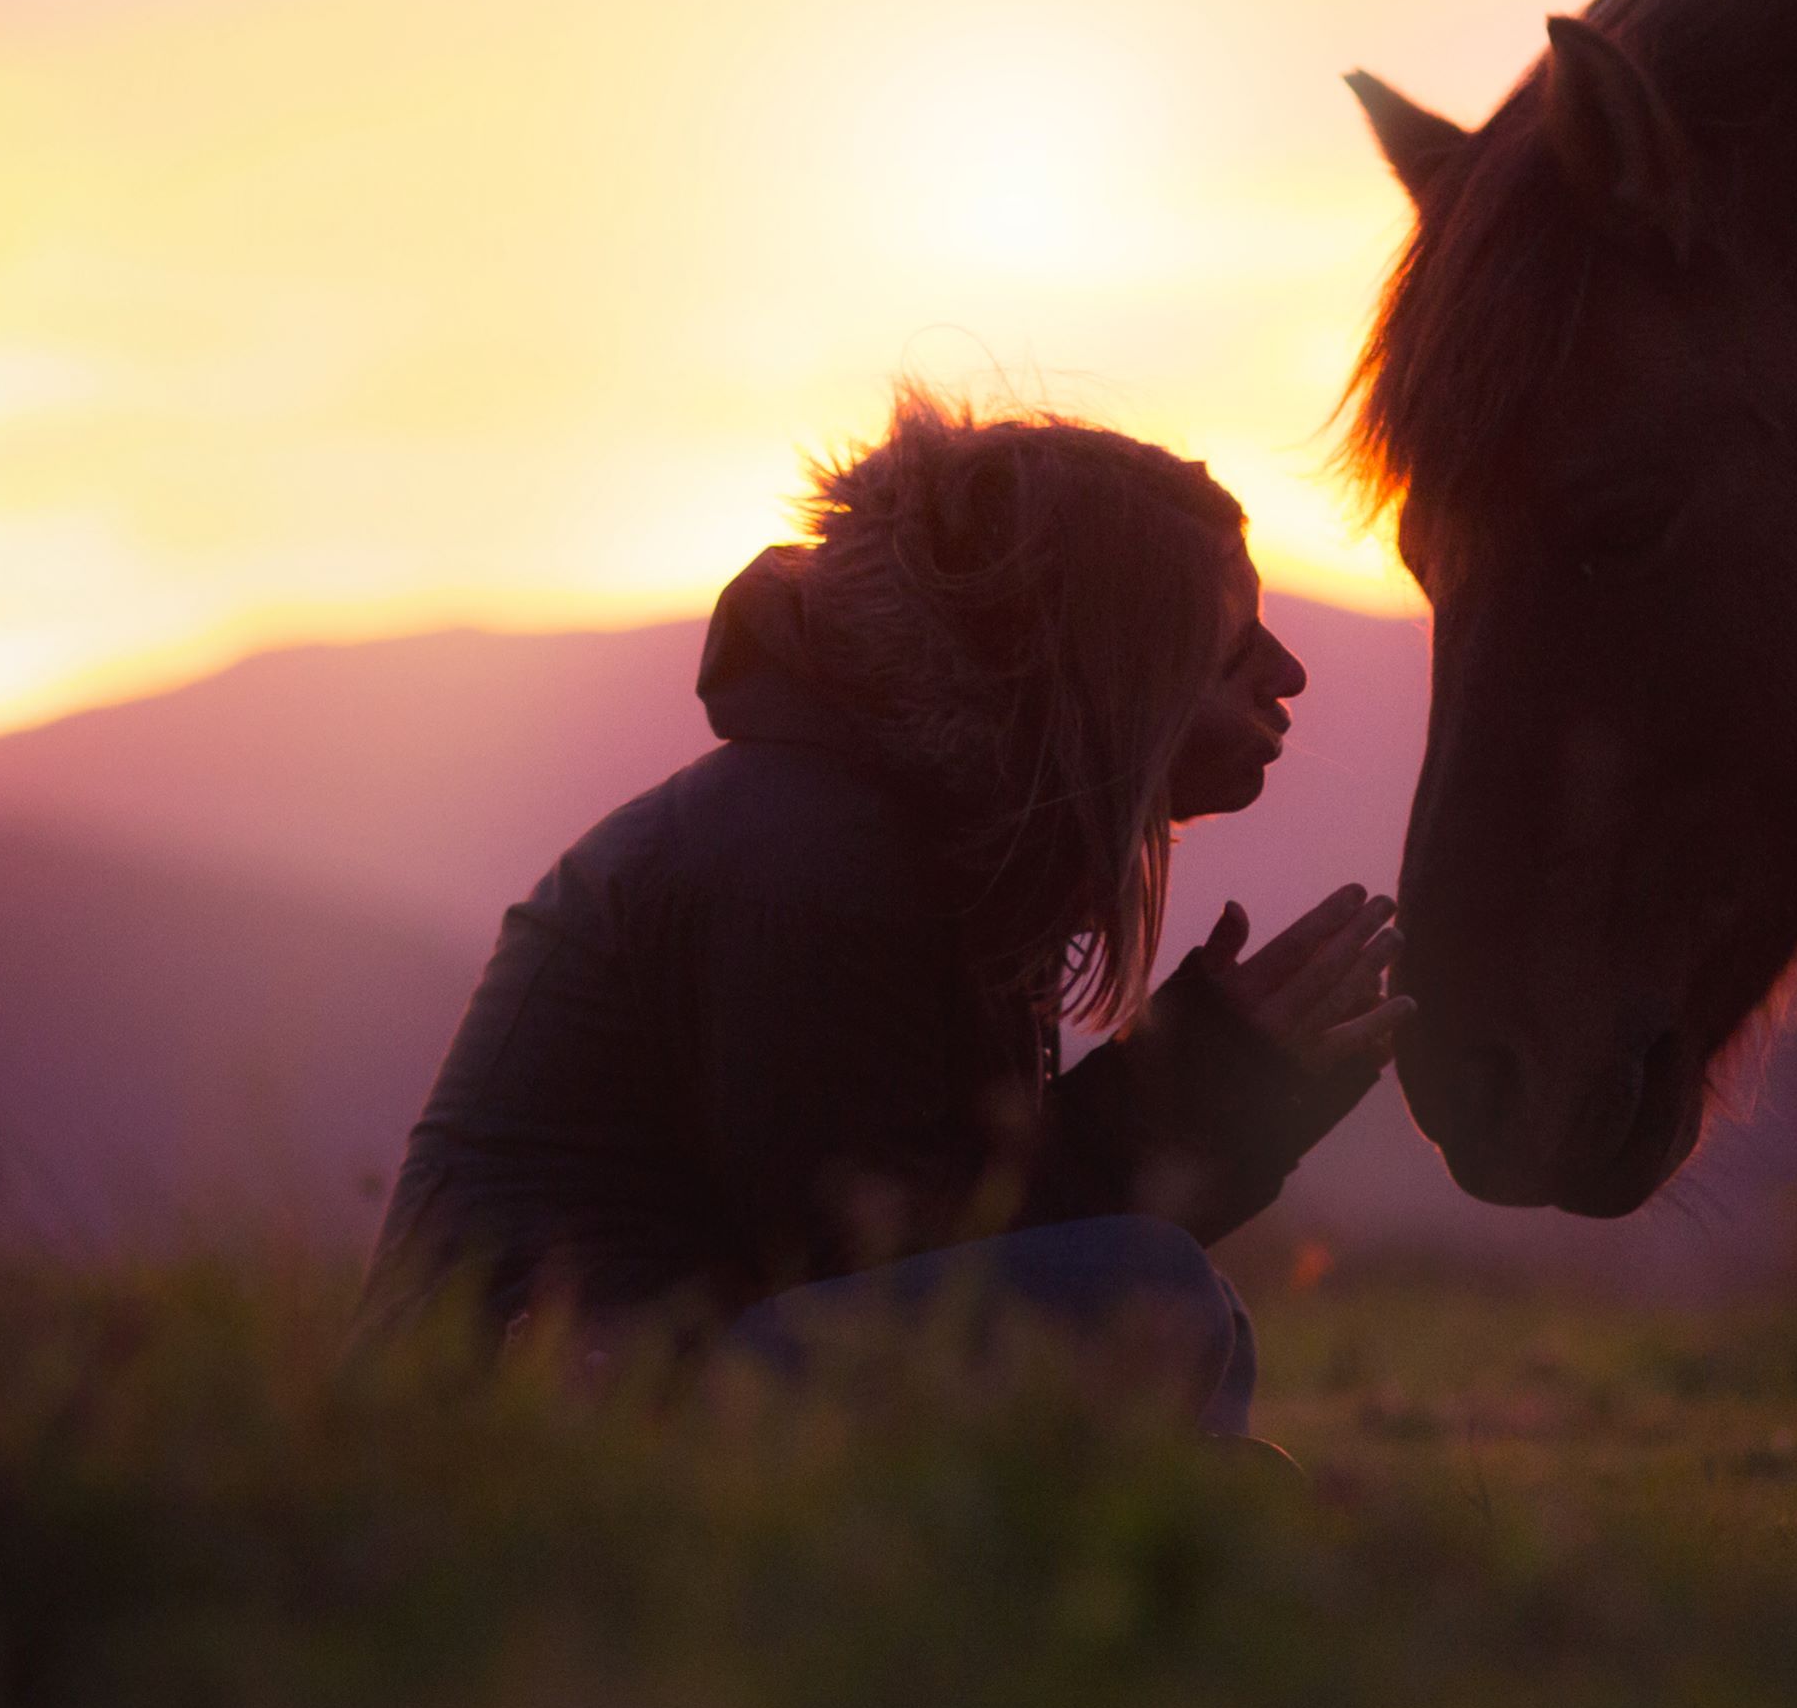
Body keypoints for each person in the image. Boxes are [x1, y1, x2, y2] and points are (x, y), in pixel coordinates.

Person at [358, 394, 1411, 1435]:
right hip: (510, 1416)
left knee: (1176, 1307)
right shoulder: (804, 861)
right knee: (1153, 1295)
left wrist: (1236, 1088)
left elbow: (940, 1253)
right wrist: (1210, 1087)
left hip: (625, 1379)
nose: (1289, 676)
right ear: (1103, 670)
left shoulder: (916, 846)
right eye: (1231, 650)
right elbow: (893, 1265)